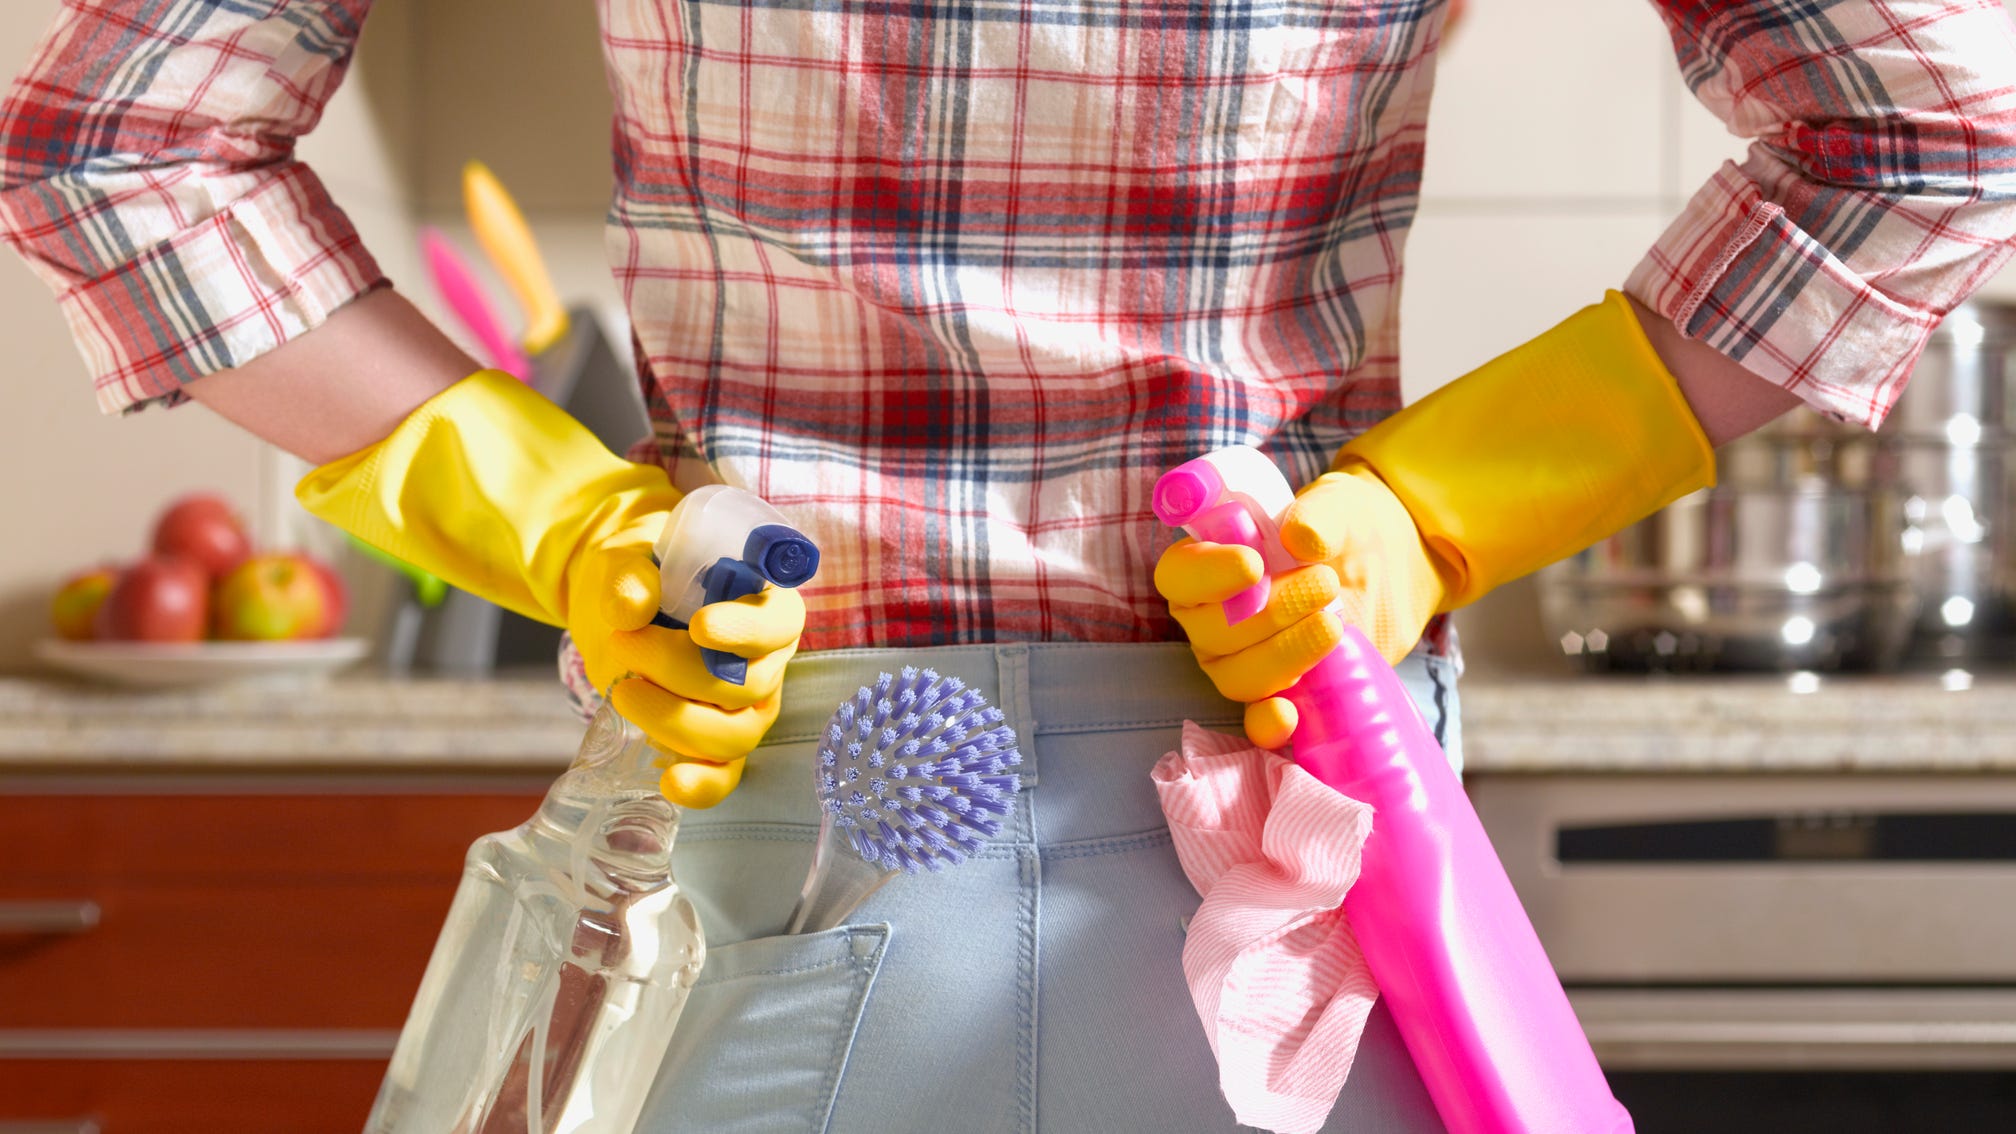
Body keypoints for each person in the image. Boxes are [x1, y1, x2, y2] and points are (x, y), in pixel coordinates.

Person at [5, 1, 2014, 1129]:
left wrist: (562, 514)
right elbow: (1927, 136)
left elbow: (118, 144)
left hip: (794, 843)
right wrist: (1427, 507)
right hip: (1286, 857)